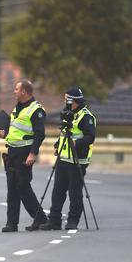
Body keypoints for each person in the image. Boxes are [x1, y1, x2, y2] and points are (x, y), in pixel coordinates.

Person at [40, 87, 96, 231]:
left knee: (74, 192)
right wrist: (58, 145)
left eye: (67, 99)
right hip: (63, 159)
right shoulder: (68, 114)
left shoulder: (86, 116)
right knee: (57, 191)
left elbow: (90, 137)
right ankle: (54, 221)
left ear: (74, 100)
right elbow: (65, 132)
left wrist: (76, 144)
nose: (65, 101)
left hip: (77, 160)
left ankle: (73, 220)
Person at [0, 79, 49, 232]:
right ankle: (11, 223)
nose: (14, 91)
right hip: (12, 152)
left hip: (25, 153)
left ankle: (40, 218)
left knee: (23, 186)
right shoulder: (17, 108)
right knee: (12, 188)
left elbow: (40, 134)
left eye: (16, 89)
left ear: (24, 91)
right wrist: (4, 134)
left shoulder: (36, 110)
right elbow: (16, 131)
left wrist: (33, 154)